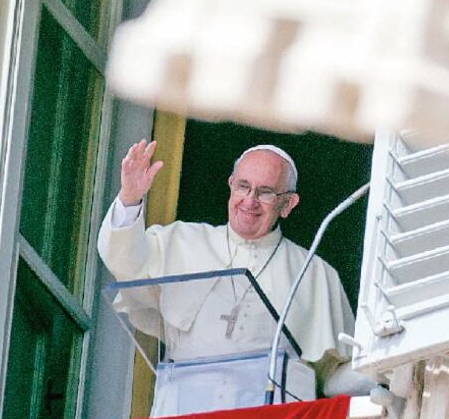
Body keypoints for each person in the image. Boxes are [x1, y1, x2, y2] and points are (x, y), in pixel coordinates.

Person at [97, 140, 372, 397]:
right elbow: (124, 263)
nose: (250, 201)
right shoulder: (182, 241)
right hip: (187, 415)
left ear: (288, 204)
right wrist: (129, 199)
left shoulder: (315, 275)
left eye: (265, 192)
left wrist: (384, 370)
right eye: (243, 186)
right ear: (230, 186)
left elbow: (332, 376)